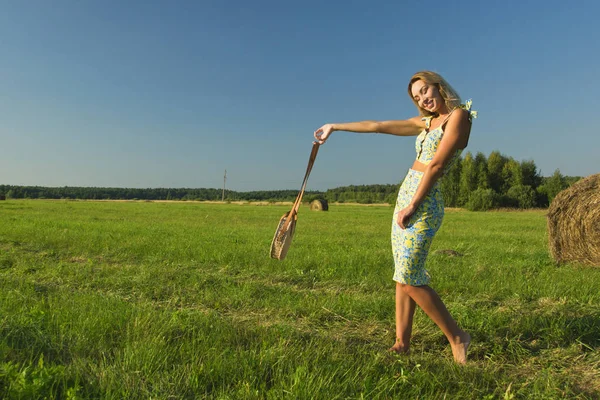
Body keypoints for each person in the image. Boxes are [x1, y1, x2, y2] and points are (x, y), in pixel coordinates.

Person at [313, 71, 477, 364]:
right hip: (406, 197)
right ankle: (402, 343)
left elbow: (437, 165)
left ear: (439, 87)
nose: (423, 99)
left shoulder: (459, 117)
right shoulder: (425, 123)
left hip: (424, 201)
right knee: (402, 276)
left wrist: (413, 204)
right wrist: (334, 127)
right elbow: (377, 125)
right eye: (417, 97)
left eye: (425, 90)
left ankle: (457, 337)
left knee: (411, 278)